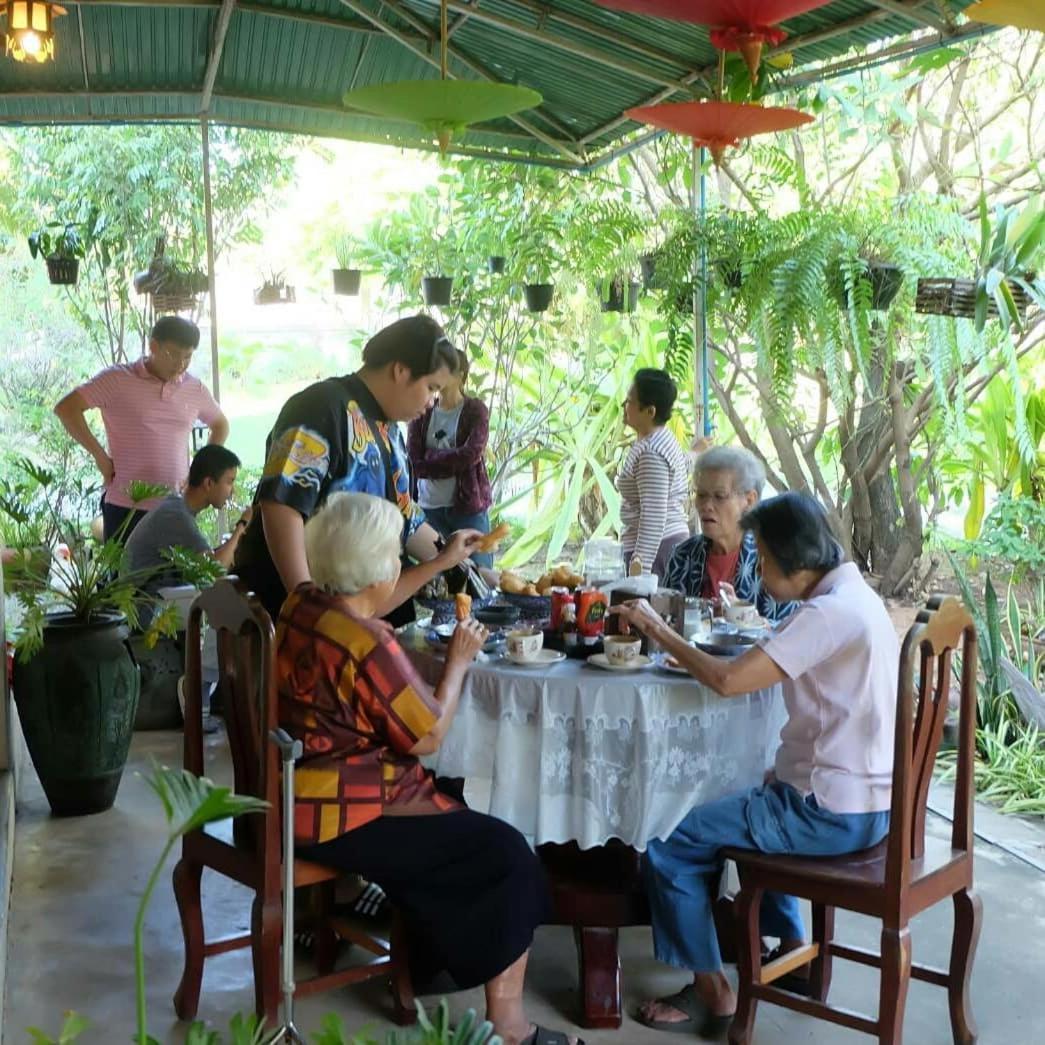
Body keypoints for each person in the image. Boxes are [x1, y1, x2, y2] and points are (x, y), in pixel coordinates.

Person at [278, 492, 582, 1045]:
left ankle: (428, 960)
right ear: (375, 568)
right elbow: (429, 735)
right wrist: (459, 665)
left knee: (456, 810)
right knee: (508, 853)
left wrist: (439, 566)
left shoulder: (302, 603)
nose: (398, 562)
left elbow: (371, 612)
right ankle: (510, 1028)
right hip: (344, 812)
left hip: (293, 795)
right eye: (395, 554)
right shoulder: (367, 643)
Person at [610, 492, 897, 1036]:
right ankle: (786, 947)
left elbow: (727, 682)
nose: (758, 569)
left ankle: (711, 990)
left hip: (825, 814)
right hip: (869, 805)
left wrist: (657, 628)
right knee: (747, 794)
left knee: (669, 837)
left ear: (798, 559)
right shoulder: (855, 596)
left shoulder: (827, 615)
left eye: (762, 558)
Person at [233, 314, 480, 625]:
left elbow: (406, 517)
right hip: (294, 617)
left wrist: (459, 559)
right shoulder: (319, 407)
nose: (432, 401)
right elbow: (282, 504)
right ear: (401, 370)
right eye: (431, 387)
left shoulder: (390, 428)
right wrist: (305, 603)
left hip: (361, 612)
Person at [54, 316, 229, 543]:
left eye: (188, 357)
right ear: (153, 346)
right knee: (124, 577)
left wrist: (199, 470)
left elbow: (220, 424)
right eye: (173, 354)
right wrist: (100, 457)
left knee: (175, 579)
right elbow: (66, 409)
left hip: (175, 506)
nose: (180, 364)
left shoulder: (193, 388)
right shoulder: (117, 379)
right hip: (125, 506)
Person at [664, 445, 796, 622]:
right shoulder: (683, 556)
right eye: (701, 495)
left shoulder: (773, 560)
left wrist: (745, 618)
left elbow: (793, 634)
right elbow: (664, 624)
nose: (706, 506)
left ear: (749, 500)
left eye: (719, 496)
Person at [124, 444, 251, 608]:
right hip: (143, 612)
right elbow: (212, 572)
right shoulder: (176, 516)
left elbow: (205, 559)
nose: (232, 491)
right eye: (229, 481)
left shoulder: (177, 507)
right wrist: (243, 525)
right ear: (209, 483)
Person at [407, 348, 494, 569]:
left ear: (462, 376)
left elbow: (471, 454)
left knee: (478, 576)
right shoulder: (423, 410)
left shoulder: (475, 410)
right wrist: (448, 459)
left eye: (449, 372)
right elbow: (414, 462)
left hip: (467, 509)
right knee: (435, 580)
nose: (441, 378)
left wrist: (431, 457)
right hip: (428, 509)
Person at [616, 368, 691, 578]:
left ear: (650, 411)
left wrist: (640, 570)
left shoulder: (651, 453)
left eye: (630, 401)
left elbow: (653, 516)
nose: (624, 406)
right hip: (661, 543)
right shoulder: (659, 439)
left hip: (657, 548)